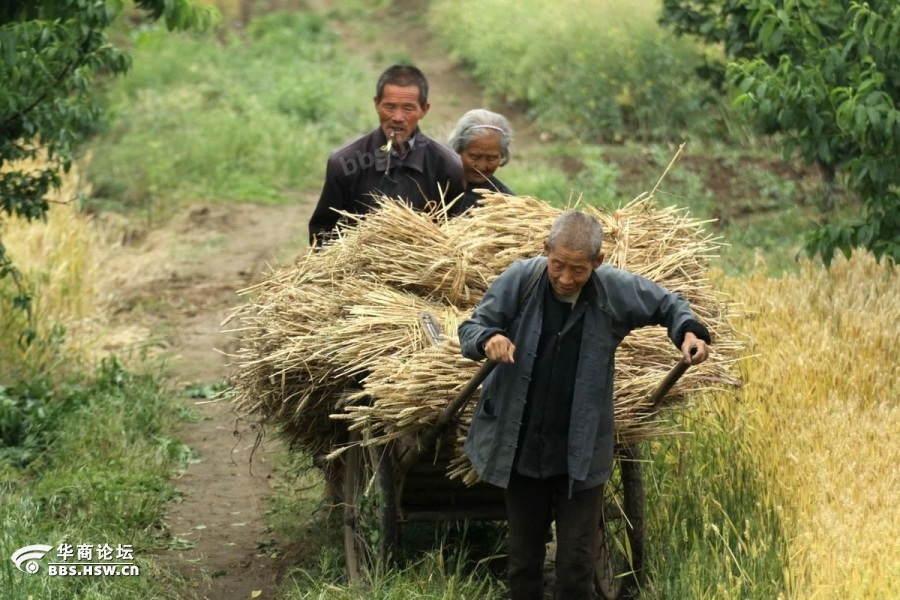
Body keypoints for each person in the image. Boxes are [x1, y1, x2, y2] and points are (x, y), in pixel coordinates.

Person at [457, 211, 711, 600]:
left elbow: (668, 304)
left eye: (578, 270)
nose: (564, 278)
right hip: (522, 445)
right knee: (524, 564)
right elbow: (472, 327)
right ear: (546, 252)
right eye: (557, 265)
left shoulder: (612, 290)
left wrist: (689, 333)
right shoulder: (522, 280)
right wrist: (489, 338)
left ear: (598, 262)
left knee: (576, 566)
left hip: (581, 449)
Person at [308, 64, 466, 246]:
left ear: (424, 110)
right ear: (376, 104)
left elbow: (454, 235)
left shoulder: (448, 166)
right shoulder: (344, 162)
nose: (398, 117)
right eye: (389, 107)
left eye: (408, 108)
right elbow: (321, 233)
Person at [448, 108, 514, 213]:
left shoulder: (507, 203)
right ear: (459, 150)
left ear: (502, 155)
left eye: (491, 158)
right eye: (474, 156)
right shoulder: (435, 185)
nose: (482, 166)